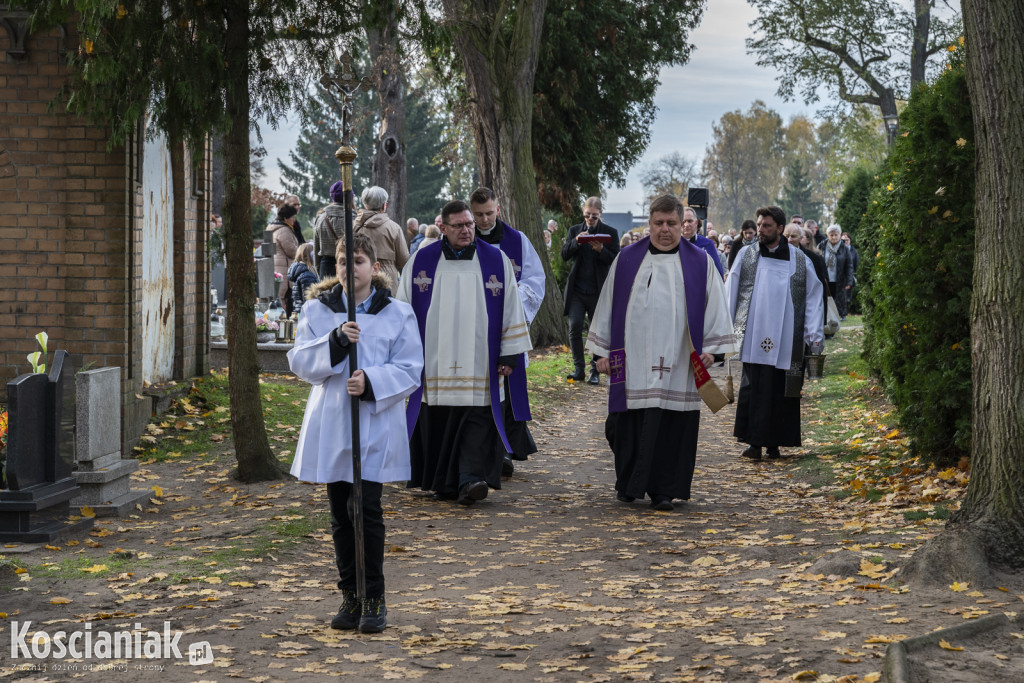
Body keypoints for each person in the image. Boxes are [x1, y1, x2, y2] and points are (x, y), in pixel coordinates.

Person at [288, 232, 423, 634]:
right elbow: (300, 361)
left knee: (366, 510)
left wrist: (372, 383)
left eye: (359, 261)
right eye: (344, 261)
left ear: (375, 267)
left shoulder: (396, 313)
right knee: (340, 513)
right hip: (333, 421)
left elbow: (411, 367)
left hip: (373, 424)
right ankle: (349, 593)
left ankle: (374, 596)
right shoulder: (317, 310)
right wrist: (334, 342)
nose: (350, 268)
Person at [587, 195, 737, 510]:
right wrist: (600, 353)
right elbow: (607, 307)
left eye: (671, 223)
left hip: (680, 361)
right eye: (658, 223)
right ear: (649, 224)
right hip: (633, 361)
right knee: (623, 427)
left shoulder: (700, 262)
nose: (665, 230)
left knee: (673, 428)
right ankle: (629, 484)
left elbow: (715, 308)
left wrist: (712, 350)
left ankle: (664, 490)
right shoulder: (626, 260)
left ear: (682, 224)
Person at [397, 199, 532, 505]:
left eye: (470, 224)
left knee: (477, 421)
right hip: (434, 363)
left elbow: (512, 308)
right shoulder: (421, 262)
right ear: (442, 228)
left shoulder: (495, 261)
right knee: (439, 424)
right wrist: (403, 355)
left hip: (481, 363)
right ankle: (446, 483)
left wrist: (510, 354)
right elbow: (403, 310)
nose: (467, 230)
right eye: (458, 225)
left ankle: (471, 479)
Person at [728, 206, 824, 460]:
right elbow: (731, 290)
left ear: (780, 229)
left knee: (782, 390)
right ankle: (754, 443)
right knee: (755, 387)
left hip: (786, 338)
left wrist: (813, 334)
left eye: (766, 226)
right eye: (759, 225)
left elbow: (814, 297)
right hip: (753, 333)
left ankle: (775, 444)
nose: (760, 230)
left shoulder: (799, 260)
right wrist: (726, 331)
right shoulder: (747, 256)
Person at [470, 187, 545, 469]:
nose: (484, 220)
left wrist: (510, 301)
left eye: (489, 213)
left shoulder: (517, 240)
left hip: (507, 325)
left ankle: (505, 449)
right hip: (475, 326)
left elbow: (536, 281)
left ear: (498, 209)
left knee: (508, 389)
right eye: (478, 215)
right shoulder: (465, 239)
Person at [561, 196, 620, 384]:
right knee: (575, 326)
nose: (590, 220)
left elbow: (616, 259)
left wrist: (601, 250)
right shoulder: (575, 230)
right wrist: (577, 242)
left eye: (594, 216)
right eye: (587, 216)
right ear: (583, 213)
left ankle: (595, 371)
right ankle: (579, 369)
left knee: (598, 332)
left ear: (600, 214)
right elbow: (564, 255)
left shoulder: (610, 232)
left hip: (598, 290)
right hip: (577, 290)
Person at [353, 186, 410, 287]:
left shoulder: (352, 227)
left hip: (359, 277)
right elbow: (404, 260)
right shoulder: (394, 228)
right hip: (387, 280)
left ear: (365, 204)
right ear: (384, 205)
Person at [784, 223, 830, 326]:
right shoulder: (777, 257)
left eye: (793, 236)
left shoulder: (814, 259)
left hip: (805, 310)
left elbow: (820, 289)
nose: (789, 240)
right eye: (786, 236)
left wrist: (822, 319)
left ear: (800, 238)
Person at [271, 204, 301, 315]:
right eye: (292, 217)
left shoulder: (275, 227)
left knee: (281, 298)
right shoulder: (284, 230)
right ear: (285, 218)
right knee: (284, 300)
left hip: (279, 266)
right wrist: (302, 250)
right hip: (284, 268)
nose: (294, 219)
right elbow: (292, 251)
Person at [313, 181, 345, 278]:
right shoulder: (353, 219)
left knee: (327, 293)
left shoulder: (320, 218)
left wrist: (318, 268)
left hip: (326, 265)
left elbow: (316, 248)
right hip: (346, 263)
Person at [682, 205, 723, 278]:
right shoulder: (672, 244)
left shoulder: (707, 244)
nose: (686, 224)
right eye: (683, 221)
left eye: (690, 221)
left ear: (696, 223)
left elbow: (717, 273)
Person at [823, 225, 854, 320]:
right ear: (828, 235)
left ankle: (842, 314)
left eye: (836, 235)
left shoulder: (844, 248)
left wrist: (849, 281)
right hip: (826, 278)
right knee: (827, 298)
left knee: (840, 297)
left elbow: (849, 266)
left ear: (840, 235)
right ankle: (827, 316)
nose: (833, 237)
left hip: (840, 278)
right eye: (831, 235)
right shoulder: (822, 246)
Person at [289, 243, 321, 317]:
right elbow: (308, 299)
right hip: (306, 313)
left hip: (299, 310)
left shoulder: (300, 272)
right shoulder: (307, 275)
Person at [842, 232, 860, 312]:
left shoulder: (854, 251)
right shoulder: (839, 250)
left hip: (849, 276)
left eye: (847, 240)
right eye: (843, 240)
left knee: (847, 296)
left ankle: (844, 312)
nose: (845, 242)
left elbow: (857, 264)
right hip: (840, 276)